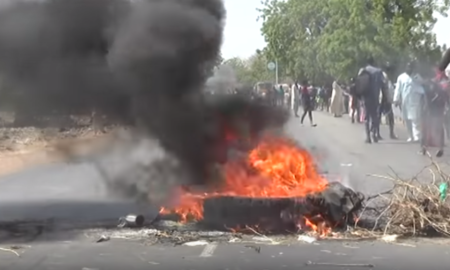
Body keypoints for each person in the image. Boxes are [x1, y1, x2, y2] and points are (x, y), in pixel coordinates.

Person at [393, 62, 424, 143]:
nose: (409, 69)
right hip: (405, 101)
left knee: (415, 119)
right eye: (408, 67)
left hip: (415, 101)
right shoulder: (401, 77)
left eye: (411, 67)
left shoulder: (417, 76)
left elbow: (422, 86)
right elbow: (398, 89)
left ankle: (416, 136)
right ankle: (410, 136)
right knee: (407, 120)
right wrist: (396, 99)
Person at [357, 57, 386, 143]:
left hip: (366, 97)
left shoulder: (363, 70)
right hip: (375, 96)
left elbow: (358, 82)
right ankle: (374, 134)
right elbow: (383, 84)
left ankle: (368, 137)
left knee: (366, 117)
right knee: (375, 116)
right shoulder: (378, 71)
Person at [419, 76, 449, 157]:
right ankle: (438, 148)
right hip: (435, 111)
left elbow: (425, 101)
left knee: (427, 130)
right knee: (436, 129)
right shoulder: (439, 89)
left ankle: (424, 148)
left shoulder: (427, 88)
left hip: (431, 111)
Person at [377, 69, 398, 139]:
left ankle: (391, 133)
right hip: (381, 101)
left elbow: (390, 92)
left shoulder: (388, 82)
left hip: (386, 101)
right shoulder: (380, 80)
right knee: (378, 117)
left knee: (390, 117)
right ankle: (377, 133)